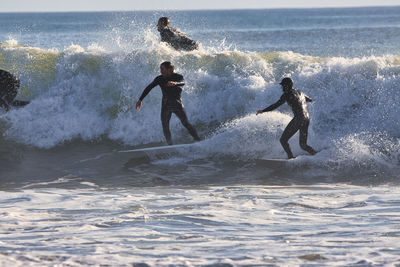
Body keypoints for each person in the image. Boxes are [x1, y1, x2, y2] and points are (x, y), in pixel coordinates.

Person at [136, 61, 200, 145]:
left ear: (170, 69)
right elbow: (149, 87)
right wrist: (140, 99)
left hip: (177, 104)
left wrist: (175, 83)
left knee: (185, 123)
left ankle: (197, 139)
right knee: (165, 126)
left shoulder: (178, 77)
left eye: (162, 69)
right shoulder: (159, 78)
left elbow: (183, 83)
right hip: (165, 105)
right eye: (160, 69)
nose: (161, 71)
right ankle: (170, 145)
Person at [256, 77, 317, 159]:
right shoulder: (300, 92)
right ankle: (315, 154)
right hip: (306, 118)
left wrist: (263, 111)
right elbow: (310, 99)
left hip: (299, 118)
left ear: (287, 86)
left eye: (283, 86)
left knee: (283, 140)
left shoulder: (287, 95)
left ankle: (290, 158)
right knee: (303, 145)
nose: (282, 88)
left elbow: (275, 105)